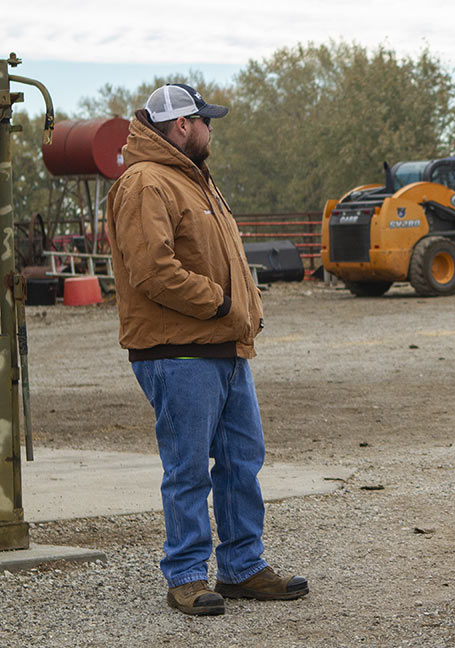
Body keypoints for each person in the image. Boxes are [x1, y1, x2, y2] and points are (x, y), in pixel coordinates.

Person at [106, 84, 308, 616]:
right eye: (205, 121)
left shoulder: (192, 181)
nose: (211, 129)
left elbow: (222, 258)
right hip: (178, 351)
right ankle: (187, 577)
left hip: (223, 348)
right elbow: (152, 270)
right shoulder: (146, 183)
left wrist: (246, 308)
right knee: (189, 467)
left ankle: (242, 567)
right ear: (181, 126)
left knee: (242, 460)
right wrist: (221, 304)